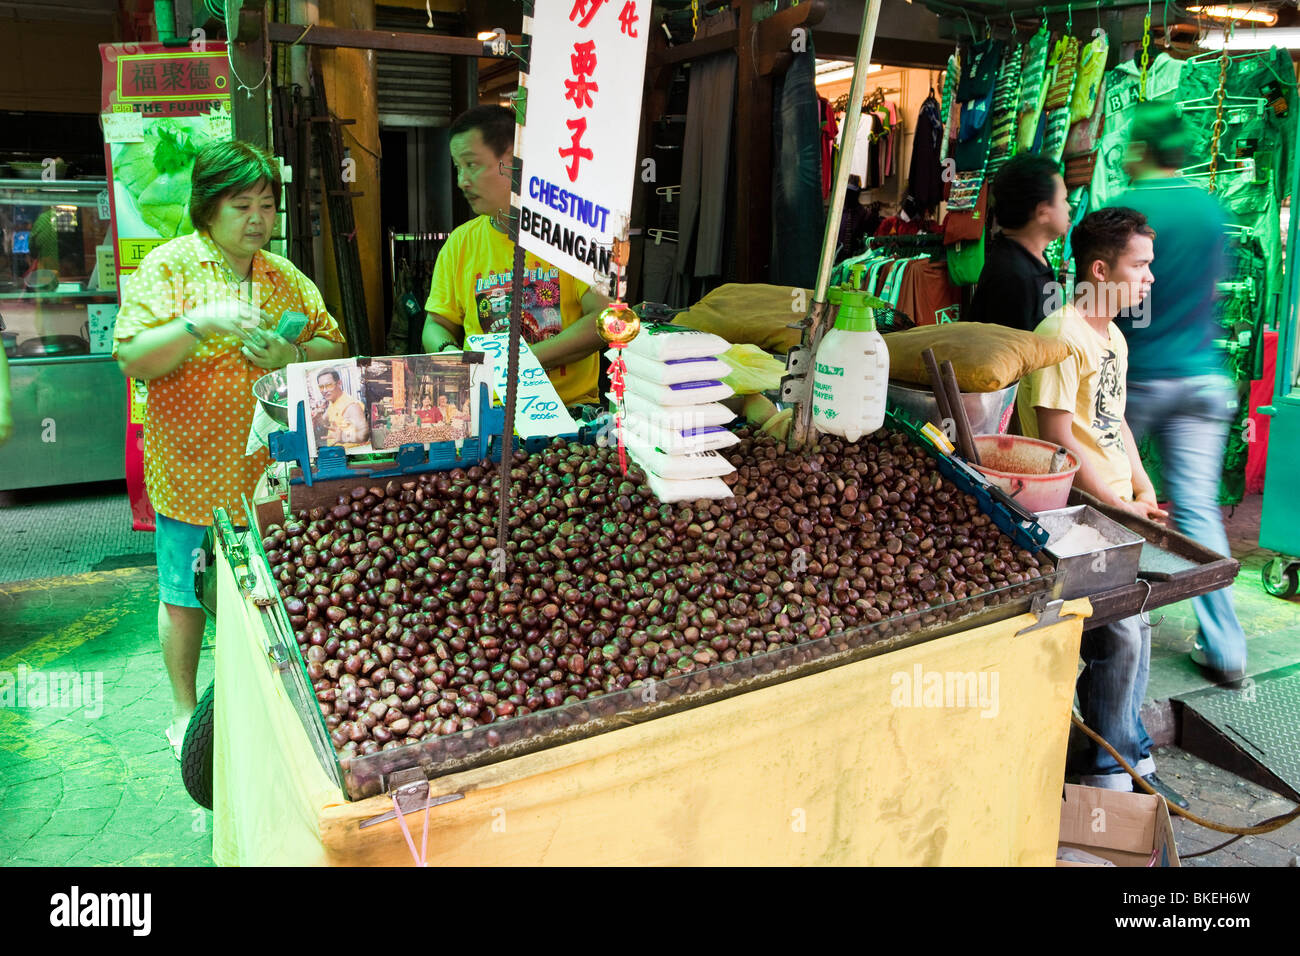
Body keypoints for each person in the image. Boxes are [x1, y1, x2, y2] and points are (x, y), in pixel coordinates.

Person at [114, 140, 347, 759]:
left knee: (270, 592)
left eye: (267, 205)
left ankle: (272, 701)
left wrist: (292, 355)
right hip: (191, 472)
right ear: (207, 208)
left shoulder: (282, 275)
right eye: (241, 205)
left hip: (271, 477)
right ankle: (186, 713)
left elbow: (336, 345)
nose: (257, 219)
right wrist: (198, 324)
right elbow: (132, 357)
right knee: (184, 593)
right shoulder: (170, 267)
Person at [1017, 207, 1187, 808]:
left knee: (1134, 628)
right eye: (1139, 266)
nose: (1150, 279)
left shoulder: (1111, 335)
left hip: (1117, 510)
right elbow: (1057, 436)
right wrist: (1113, 501)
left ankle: (1121, 754)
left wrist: (1141, 487)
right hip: (1079, 509)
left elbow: (1113, 424)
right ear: (1100, 268)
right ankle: (1110, 768)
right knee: (1119, 636)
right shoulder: (1060, 335)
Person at [1109, 102, 1248, 685]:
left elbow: (1104, 299)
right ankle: (1226, 648)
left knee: (1108, 497)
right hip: (1202, 377)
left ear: (1138, 148)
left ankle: (1102, 625)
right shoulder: (1211, 211)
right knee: (1195, 509)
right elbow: (1214, 291)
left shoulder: (1124, 214)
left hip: (1137, 376)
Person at [421, 105, 611, 407]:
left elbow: (604, 320)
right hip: (486, 411)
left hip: (569, 410)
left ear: (513, 161)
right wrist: (448, 352)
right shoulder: (460, 243)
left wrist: (520, 362)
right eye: (458, 167)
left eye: (472, 164)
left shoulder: (570, 237)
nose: (461, 181)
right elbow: (436, 323)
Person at [967, 153, 1072, 331]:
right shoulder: (1014, 278)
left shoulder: (1033, 260)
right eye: (1063, 200)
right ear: (1042, 212)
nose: (1069, 207)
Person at [317, 368, 369, 447]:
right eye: (321, 387)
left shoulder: (351, 406)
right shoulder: (332, 401)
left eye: (329, 385)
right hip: (335, 453)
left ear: (339, 383)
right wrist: (317, 417)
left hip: (350, 456)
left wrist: (344, 437)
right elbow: (325, 422)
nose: (324, 390)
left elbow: (364, 435)